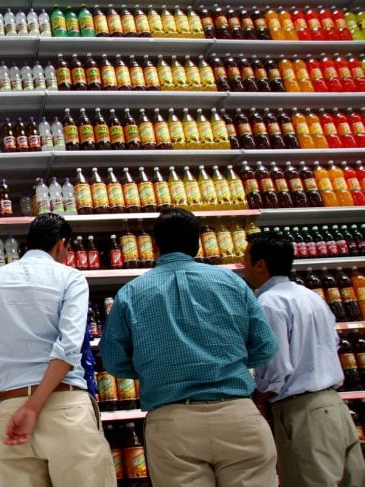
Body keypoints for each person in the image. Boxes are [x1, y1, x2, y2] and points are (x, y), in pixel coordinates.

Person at [100, 207, 279, 487]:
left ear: (154, 246)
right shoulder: (232, 282)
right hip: (237, 414)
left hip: (171, 422)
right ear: (198, 243)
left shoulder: (131, 293)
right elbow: (266, 346)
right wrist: (232, 360)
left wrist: (155, 368)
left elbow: (113, 361)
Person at [0, 213, 116, 487]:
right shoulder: (71, 278)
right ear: (61, 244)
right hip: (63, 407)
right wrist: (33, 406)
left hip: (9, 411)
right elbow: (68, 348)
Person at [244, 232, 365, 487]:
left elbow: (275, 365)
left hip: (302, 413)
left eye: (246, 258)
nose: (243, 266)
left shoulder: (268, 303)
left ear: (261, 264)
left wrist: (260, 395)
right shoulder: (311, 297)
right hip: (336, 406)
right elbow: (333, 344)